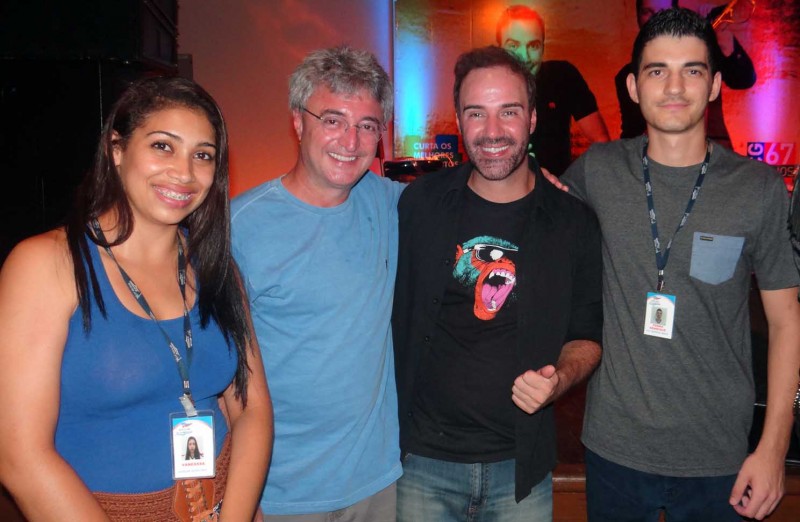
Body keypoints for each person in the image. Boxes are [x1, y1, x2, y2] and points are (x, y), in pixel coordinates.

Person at [560, 8, 800, 521]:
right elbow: (532, 210)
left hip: (720, 455)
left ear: (714, 85)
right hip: (615, 448)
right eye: (657, 71)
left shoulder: (757, 189)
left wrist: (773, 448)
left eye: (692, 70)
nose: (674, 87)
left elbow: (786, 321)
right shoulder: (597, 171)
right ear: (633, 87)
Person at [0, 76, 273, 521]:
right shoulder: (46, 265)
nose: (184, 172)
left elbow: (253, 409)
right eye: (163, 146)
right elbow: (19, 456)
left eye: (202, 155)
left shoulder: (215, 265)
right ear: (117, 148)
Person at [392, 45, 603, 521]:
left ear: (532, 119)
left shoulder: (572, 222)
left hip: (520, 471)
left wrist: (558, 380)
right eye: (476, 113)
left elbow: (587, 335)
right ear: (459, 121)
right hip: (422, 465)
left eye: (508, 112)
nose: (491, 131)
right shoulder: (418, 206)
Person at [231, 46, 403, 521]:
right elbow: (219, 378)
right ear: (297, 121)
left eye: (367, 125)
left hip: (376, 484)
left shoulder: (391, 205)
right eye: (333, 120)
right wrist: (242, 495)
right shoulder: (240, 228)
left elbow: (471, 200)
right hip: (280, 491)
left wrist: (540, 180)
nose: (351, 141)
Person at [616, 0, 756, 147]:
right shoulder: (626, 76)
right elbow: (630, 135)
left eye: (663, 12)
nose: (655, 19)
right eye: (647, 12)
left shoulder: (701, 55)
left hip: (711, 153)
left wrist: (727, 44)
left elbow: (744, 79)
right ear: (638, 16)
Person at [496, 4, 610, 176]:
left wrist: (578, 181)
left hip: (557, 188)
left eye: (533, 46)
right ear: (499, 49)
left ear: (543, 47)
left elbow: (601, 142)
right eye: (513, 46)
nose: (524, 56)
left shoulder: (562, 77)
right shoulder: (487, 90)